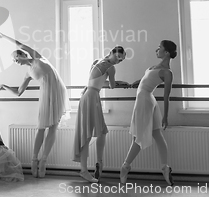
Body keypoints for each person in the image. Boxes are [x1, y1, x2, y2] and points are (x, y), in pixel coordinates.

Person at [0, 31, 70, 178]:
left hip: (58, 91)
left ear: (23, 55)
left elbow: (19, 44)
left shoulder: (37, 56)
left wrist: (3, 36)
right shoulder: (28, 73)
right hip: (46, 94)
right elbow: (18, 92)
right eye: (13, 61)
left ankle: (44, 160)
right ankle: (34, 159)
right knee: (41, 127)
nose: (15, 61)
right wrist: (4, 86)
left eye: (16, 58)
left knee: (54, 127)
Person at [120, 40, 177, 186]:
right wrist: (136, 82)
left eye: (160, 48)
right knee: (156, 134)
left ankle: (125, 167)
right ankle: (165, 168)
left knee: (141, 136)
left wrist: (166, 116)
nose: (156, 50)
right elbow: (147, 79)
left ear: (167, 53)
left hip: (146, 101)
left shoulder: (167, 72)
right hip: (145, 99)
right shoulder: (155, 67)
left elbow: (166, 96)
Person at [73, 46, 128, 183]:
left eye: (120, 60)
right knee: (87, 133)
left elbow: (95, 81)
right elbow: (112, 86)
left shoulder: (97, 61)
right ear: (111, 53)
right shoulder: (110, 68)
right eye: (117, 58)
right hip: (92, 97)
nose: (118, 61)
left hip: (88, 95)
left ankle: (98, 163)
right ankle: (85, 170)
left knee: (101, 131)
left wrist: (116, 82)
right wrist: (122, 83)